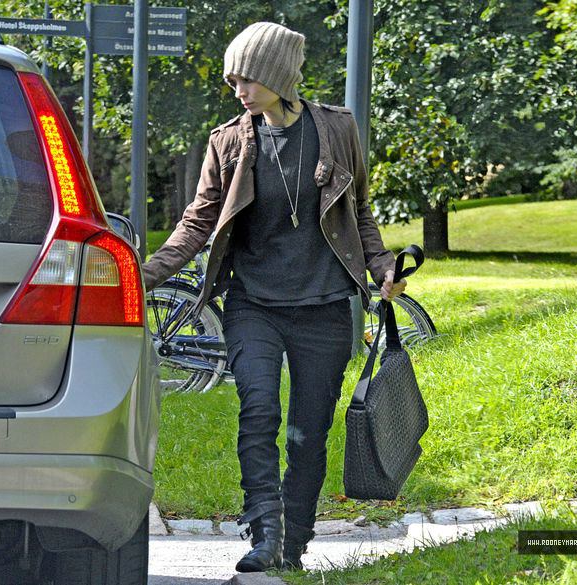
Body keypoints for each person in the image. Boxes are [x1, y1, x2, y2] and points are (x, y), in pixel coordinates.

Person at [143, 21, 406, 572]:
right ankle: (263, 530)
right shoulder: (229, 141)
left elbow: (358, 211)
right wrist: (143, 273)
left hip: (325, 307)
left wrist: (382, 267)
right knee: (257, 409)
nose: (239, 89)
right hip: (253, 304)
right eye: (233, 79)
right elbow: (198, 222)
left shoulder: (337, 129)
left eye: (248, 78)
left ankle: (294, 544)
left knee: (308, 434)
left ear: (279, 77)